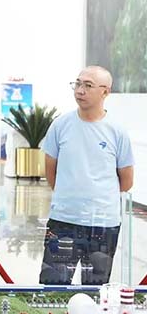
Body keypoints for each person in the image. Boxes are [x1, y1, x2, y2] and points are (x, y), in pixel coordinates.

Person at [39, 66, 134, 285]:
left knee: (96, 289)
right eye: (78, 83)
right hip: (63, 221)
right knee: (52, 286)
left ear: (105, 92)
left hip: (103, 224)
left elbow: (126, 181)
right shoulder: (60, 125)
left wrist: (98, 196)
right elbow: (51, 171)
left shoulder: (116, 131)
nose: (80, 90)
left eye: (88, 85)